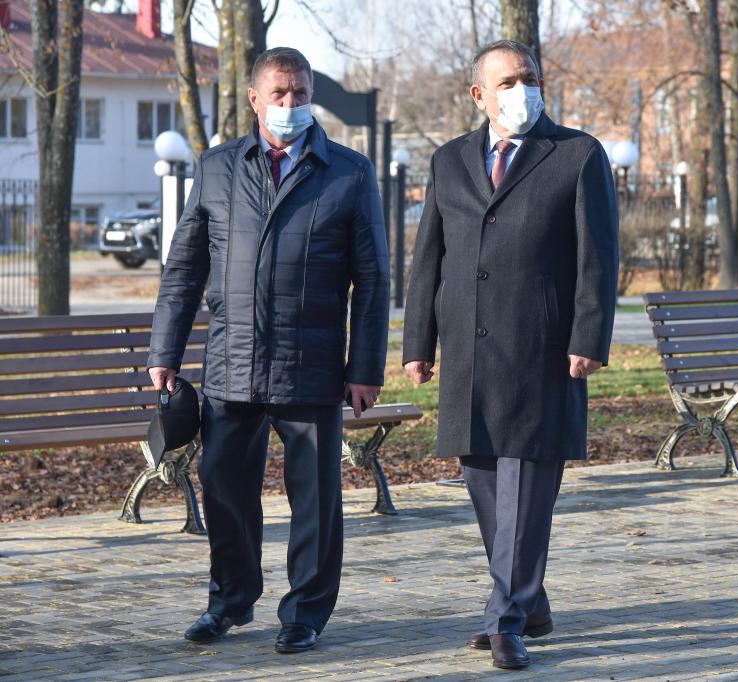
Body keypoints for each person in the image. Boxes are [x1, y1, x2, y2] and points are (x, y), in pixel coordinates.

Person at [147, 47, 389, 654]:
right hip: (231, 365)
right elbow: (184, 268)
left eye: (300, 93)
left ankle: (305, 613)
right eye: (279, 93)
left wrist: (365, 369)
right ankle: (228, 602)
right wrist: (164, 350)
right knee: (224, 492)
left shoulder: (349, 172)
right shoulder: (218, 167)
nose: (291, 103)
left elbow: (373, 279)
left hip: (310, 366)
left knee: (316, 501)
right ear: (255, 98)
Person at [401, 40, 619, 670]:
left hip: (541, 350)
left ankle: (505, 619)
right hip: (468, 351)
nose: (522, 90)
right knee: (487, 488)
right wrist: (418, 343)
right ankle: (531, 602)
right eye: (507, 82)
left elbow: (598, 257)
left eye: (530, 78)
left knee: (525, 487)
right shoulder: (449, 161)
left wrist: (588, 337)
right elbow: (428, 258)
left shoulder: (577, 154)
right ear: (479, 95)